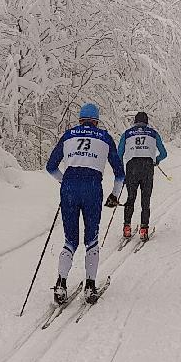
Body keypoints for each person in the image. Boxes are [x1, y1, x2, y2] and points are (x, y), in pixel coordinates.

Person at [44, 102, 124, 305]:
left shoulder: (69, 135)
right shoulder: (105, 137)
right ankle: (90, 286)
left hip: (69, 188)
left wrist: (65, 181)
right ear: (96, 121)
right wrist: (114, 195)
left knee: (70, 239)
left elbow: (50, 167)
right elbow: (119, 174)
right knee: (92, 238)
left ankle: (60, 284)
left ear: (80, 119)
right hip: (92, 189)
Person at [116, 110, 168, 241]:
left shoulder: (127, 134)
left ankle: (126, 227)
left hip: (132, 166)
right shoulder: (153, 133)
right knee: (146, 199)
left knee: (130, 197)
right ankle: (144, 229)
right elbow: (164, 153)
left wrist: (121, 172)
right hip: (147, 166)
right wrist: (156, 160)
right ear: (146, 122)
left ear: (134, 122)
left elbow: (119, 154)